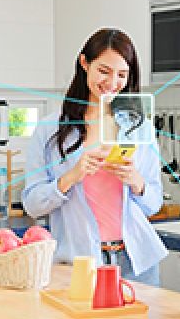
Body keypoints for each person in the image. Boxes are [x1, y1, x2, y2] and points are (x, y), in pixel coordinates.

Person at [22, 28, 166, 285]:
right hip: (80, 264)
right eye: (104, 71)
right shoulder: (50, 129)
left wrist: (136, 182)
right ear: (84, 63)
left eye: (122, 74)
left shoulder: (138, 127)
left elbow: (153, 202)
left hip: (137, 262)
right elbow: (32, 204)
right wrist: (70, 177)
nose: (112, 83)